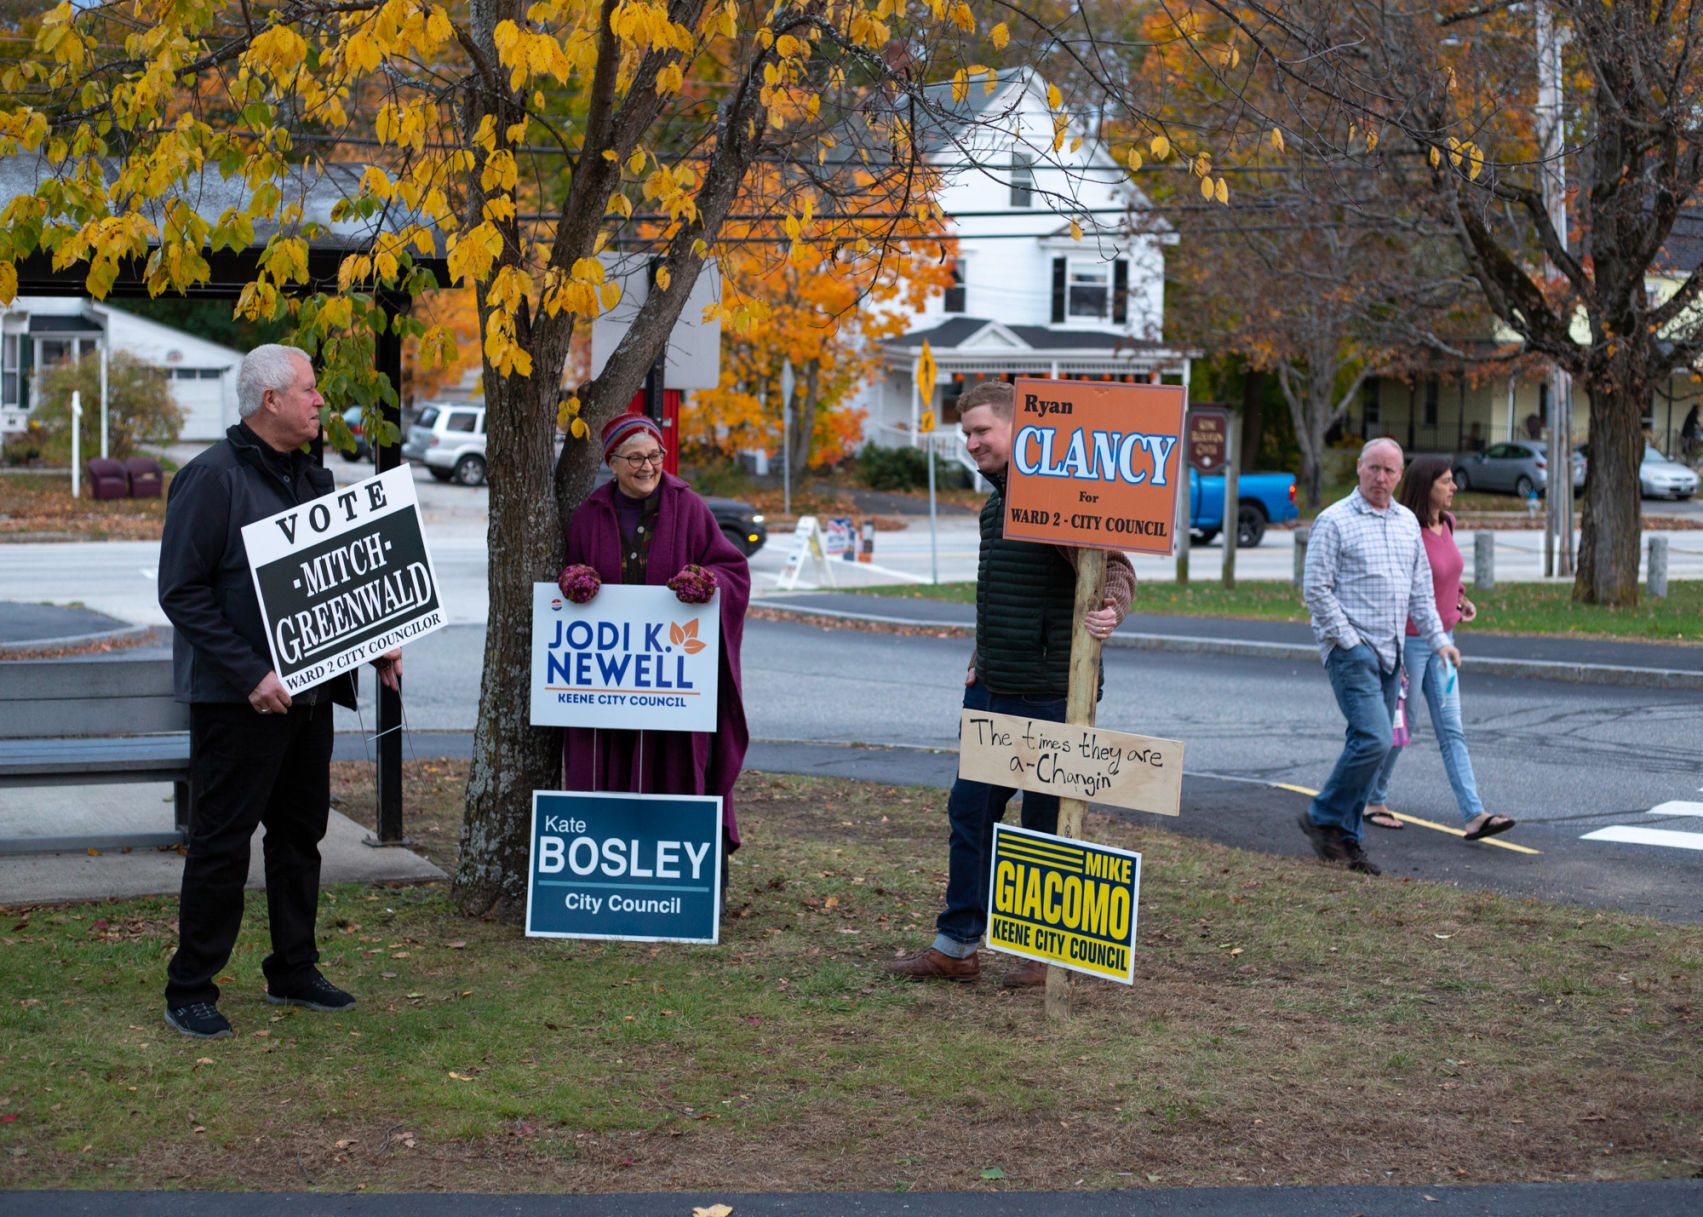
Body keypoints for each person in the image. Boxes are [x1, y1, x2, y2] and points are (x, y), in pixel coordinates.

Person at [158, 344, 401, 1040]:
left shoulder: (313, 479)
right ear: (270, 400)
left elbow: (333, 585)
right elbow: (183, 591)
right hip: (241, 701)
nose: (320, 400)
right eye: (309, 389)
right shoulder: (211, 478)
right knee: (222, 843)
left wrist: (375, 636)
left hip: (310, 695)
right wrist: (249, 673)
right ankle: (191, 987)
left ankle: (292, 967)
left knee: (301, 837)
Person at [886, 380, 1136, 987]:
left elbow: (1116, 568)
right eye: (965, 433)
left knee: (1044, 826)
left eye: (981, 431)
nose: (970, 443)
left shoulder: (1051, 498)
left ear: (1018, 430)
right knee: (971, 813)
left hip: (1053, 693)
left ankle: (1046, 957)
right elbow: (1007, 592)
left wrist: (1112, 607)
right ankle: (957, 947)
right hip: (994, 688)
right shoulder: (997, 504)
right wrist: (982, 652)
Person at [559, 413, 751, 889]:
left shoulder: (689, 508)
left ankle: (691, 887)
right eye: (636, 458)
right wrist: (574, 582)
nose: (649, 467)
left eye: (655, 456)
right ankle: (609, 879)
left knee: (678, 765)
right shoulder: (590, 515)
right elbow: (568, 573)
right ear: (612, 462)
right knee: (611, 762)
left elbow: (733, 568)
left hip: (675, 682)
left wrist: (708, 582)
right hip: (612, 680)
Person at [1299, 437, 1460, 876]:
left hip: (1392, 652)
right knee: (1375, 739)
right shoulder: (1334, 521)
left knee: (1365, 744)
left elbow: (1420, 592)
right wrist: (1350, 642)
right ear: (1358, 468)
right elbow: (1315, 589)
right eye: (1374, 468)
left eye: (1390, 471)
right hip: (1351, 651)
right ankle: (1322, 816)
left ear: (1400, 475)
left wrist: (1440, 639)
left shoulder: (1407, 522)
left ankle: (1347, 841)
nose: (1381, 478)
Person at [1362, 459, 1514, 841]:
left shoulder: (1447, 523)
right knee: (1403, 725)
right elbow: (1404, 584)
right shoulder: (1405, 528)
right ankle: (1371, 799)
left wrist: (1460, 600)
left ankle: (1474, 815)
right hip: (1412, 643)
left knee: (1452, 729)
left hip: (1443, 644)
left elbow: (1446, 573)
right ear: (1426, 485)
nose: (1454, 487)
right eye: (1447, 481)